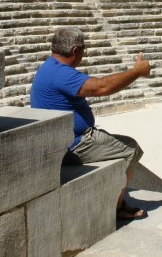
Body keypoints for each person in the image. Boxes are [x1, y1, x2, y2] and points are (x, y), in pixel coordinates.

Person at [30, 27, 152, 220]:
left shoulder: (49, 66)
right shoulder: (61, 74)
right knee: (131, 148)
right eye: (84, 49)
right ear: (75, 51)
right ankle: (117, 207)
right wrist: (137, 71)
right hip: (75, 144)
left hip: (61, 141)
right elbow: (102, 87)